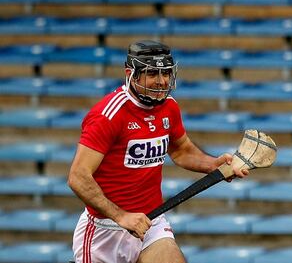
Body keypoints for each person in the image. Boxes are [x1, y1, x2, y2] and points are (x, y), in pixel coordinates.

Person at [67, 40, 249, 263]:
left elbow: (181, 151)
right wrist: (121, 216)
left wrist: (213, 164)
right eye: (152, 73)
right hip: (106, 231)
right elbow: (78, 176)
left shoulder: (169, 107)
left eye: (166, 73)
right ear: (131, 74)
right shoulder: (108, 115)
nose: (162, 82)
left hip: (151, 224)